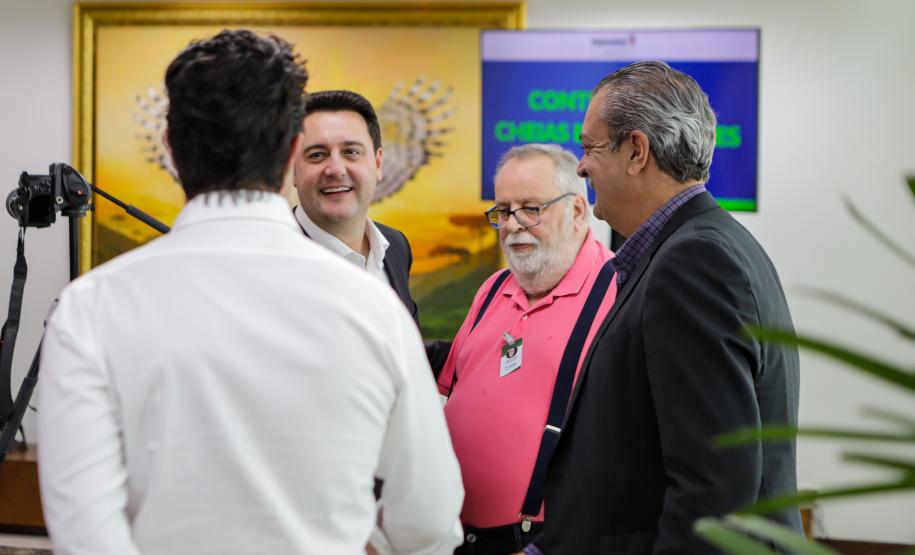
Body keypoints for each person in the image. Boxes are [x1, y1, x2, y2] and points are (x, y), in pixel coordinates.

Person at [38, 29, 463, 555]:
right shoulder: (371, 307)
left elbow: (84, 533)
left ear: (171, 151)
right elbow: (429, 518)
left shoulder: (92, 307)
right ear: (291, 155)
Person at [526, 61, 801, 555]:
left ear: (636, 151)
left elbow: (712, 494)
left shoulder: (694, 263)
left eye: (590, 148)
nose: (581, 167)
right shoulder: (709, 246)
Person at [437, 144, 618, 554]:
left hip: (549, 544)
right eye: (503, 210)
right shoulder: (491, 290)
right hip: (454, 538)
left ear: (576, 211)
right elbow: (450, 392)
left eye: (531, 209)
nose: (513, 225)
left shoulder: (618, 294)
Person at [291, 89, 450, 372]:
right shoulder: (275, 257)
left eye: (351, 152)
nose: (336, 168)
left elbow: (400, 353)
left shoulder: (395, 246)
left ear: (377, 163)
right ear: (292, 169)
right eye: (317, 155)